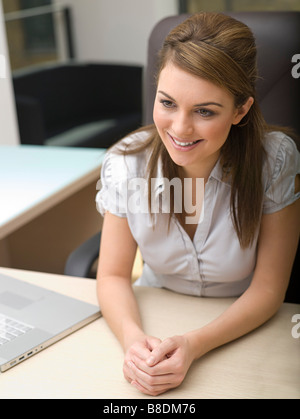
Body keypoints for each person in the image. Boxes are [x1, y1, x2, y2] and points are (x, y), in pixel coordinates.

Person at [95, 12, 300, 396]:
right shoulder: (125, 164)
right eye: (167, 103)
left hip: (243, 328)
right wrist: (134, 341)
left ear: (240, 110)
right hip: (156, 313)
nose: (180, 128)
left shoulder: (274, 161)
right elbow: (112, 276)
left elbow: (269, 289)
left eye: (205, 111)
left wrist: (194, 345)